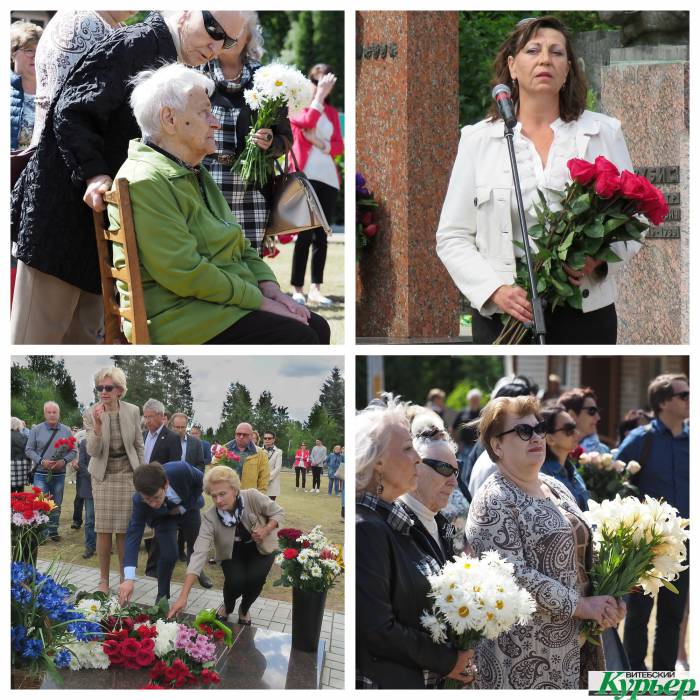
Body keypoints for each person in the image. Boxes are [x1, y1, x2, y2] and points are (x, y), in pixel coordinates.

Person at [11, 11, 249, 344]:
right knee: (32, 345)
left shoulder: (174, 60)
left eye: (229, 40)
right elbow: (71, 110)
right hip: (61, 219)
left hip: (102, 225)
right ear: (183, 12)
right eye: (212, 28)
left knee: (82, 342)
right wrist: (94, 175)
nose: (216, 45)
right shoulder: (136, 42)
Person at [436, 15, 641, 344]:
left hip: (584, 313)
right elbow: (453, 236)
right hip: (505, 317)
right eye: (534, 50)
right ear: (513, 66)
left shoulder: (603, 132)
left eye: (557, 52)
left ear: (568, 68)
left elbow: (635, 216)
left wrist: (598, 258)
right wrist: (495, 290)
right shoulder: (478, 140)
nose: (546, 59)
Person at [109, 63, 330, 344]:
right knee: (300, 335)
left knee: (317, 326)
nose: (215, 122)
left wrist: (269, 287)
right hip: (180, 319)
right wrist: (258, 301)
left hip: (209, 307)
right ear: (169, 119)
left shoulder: (192, 169)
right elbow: (184, 272)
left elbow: (237, 242)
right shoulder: (146, 179)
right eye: (204, 113)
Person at [465, 395, 625, 688]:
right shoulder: (493, 499)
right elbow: (510, 575)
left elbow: (583, 550)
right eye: (523, 431)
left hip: (576, 645)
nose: (536, 437)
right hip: (523, 657)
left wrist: (608, 598)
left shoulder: (555, 485)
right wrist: (582, 606)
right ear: (497, 444)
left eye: (538, 428)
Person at [356, 395, 475, 689]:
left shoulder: (397, 520)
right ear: (379, 461)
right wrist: (448, 660)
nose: (417, 459)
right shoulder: (368, 528)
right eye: (408, 449)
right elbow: (378, 630)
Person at [200, 13, 293, 252]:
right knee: (212, 261)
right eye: (221, 30)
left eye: (236, 31)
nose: (228, 37)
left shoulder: (267, 81)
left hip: (252, 193)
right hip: (204, 186)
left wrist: (271, 142)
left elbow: (286, 139)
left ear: (249, 36)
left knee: (249, 265)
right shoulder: (197, 75)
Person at [617, 373, 689, 671]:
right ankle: (634, 675)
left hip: (683, 544)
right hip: (644, 546)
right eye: (683, 395)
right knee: (637, 616)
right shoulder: (640, 439)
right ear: (662, 402)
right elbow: (615, 481)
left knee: (672, 617)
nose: (689, 399)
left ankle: (663, 677)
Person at [167, 466, 284, 624]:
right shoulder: (210, 517)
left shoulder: (252, 496)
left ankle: (244, 609)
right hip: (232, 552)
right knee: (235, 582)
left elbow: (278, 512)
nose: (218, 501)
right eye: (214, 496)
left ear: (235, 490)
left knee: (256, 580)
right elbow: (199, 553)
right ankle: (228, 607)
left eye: (222, 494)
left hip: (260, 547)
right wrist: (183, 596)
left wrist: (266, 529)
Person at [30, 11, 135, 148]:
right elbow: (75, 114)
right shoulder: (84, 22)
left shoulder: (106, 24)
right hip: (68, 155)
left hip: (68, 150)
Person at [83, 367, 145, 593]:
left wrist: (140, 473)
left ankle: (123, 578)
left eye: (108, 388)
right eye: (100, 388)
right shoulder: (91, 413)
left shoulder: (133, 411)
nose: (103, 392)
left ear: (120, 390)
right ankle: (103, 580)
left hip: (128, 473)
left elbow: (138, 444)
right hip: (104, 474)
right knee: (103, 529)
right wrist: (98, 427)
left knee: (125, 530)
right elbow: (92, 450)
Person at [289, 64, 344, 307]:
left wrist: (320, 142)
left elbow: (339, 146)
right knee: (304, 233)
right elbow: (306, 121)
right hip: (305, 175)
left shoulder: (332, 112)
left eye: (324, 82)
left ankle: (316, 288)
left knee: (322, 235)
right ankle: (297, 288)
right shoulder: (298, 106)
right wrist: (318, 96)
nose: (320, 84)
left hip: (329, 178)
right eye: (315, 79)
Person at [119, 461, 205, 604]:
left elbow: (202, 481)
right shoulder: (139, 501)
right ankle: (163, 595)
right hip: (163, 517)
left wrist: (185, 507)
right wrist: (129, 578)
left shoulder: (181, 470)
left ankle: (197, 569)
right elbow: (133, 535)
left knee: (195, 545)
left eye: (156, 497)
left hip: (188, 507)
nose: (153, 504)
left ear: (165, 484)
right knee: (169, 554)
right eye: (148, 500)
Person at [399, 427, 459, 566]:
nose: (454, 483)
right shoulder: (395, 523)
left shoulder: (441, 522)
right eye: (445, 468)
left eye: (455, 472)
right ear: (415, 466)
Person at [25, 401, 77, 541]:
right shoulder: (36, 430)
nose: (52, 415)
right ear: (45, 413)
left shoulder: (66, 430)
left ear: (59, 414)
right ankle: (41, 533)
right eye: (49, 412)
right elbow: (29, 450)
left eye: (54, 412)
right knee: (41, 503)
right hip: (41, 474)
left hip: (59, 474)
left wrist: (63, 461)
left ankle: (53, 531)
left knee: (56, 503)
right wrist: (42, 461)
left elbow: (73, 450)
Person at [540, 403, 589, 511]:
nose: (577, 433)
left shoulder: (571, 469)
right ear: (549, 439)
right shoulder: (542, 477)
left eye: (574, 427)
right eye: (569, 429)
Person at [10, 21, 42, 151]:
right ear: (13, 54)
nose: (35, 56)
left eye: (39, 50)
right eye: (29, 50)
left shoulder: (53, 91)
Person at [559, 387, 610, 454]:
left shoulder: (604, 451)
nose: (598, 417)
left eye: (597, 411)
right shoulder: (559, 452)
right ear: (572, 415)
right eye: (592, 411)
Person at [224, 422, 269, 492]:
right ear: (235, 435)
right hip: (227, 494)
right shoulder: (224, 449)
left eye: (245, 434)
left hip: (248, 497)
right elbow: (214, 469)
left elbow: (264, 479)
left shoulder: (261, 454)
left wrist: (259, 497)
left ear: (251, 436)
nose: (241, 437)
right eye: (238, 434)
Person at [74, 431, 96, 559]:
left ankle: (103, 545)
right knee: (90, 519)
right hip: (89, 485)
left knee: (104, 519)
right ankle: (90, 546)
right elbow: (81, 464)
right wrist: (93, 477)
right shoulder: (84, 443)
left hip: (105, 485)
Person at [452, 388, 482, 462]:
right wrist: (458, 443)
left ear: (479, 400)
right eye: (473, 400)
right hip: (464, 447)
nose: (474, 402)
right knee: (464, 470)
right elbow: (453, 429)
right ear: (469, 400)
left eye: (476, 399)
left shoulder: (483, 413)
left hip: (479, 446)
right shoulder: (462, 412)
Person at [11, 416, 32, 493]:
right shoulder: (24, 437)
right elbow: (28, 453)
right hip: (22, 466)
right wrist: (30, 469)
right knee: (21, 492)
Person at [262, 431, 283, 501]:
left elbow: (277, 468)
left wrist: (266, 479)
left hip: (272, 484)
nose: (267, 440)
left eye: (269, 438)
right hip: (260, 484)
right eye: (265, 438)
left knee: (269, 508)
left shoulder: (278, 452)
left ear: (273, 439)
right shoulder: (258, 450)